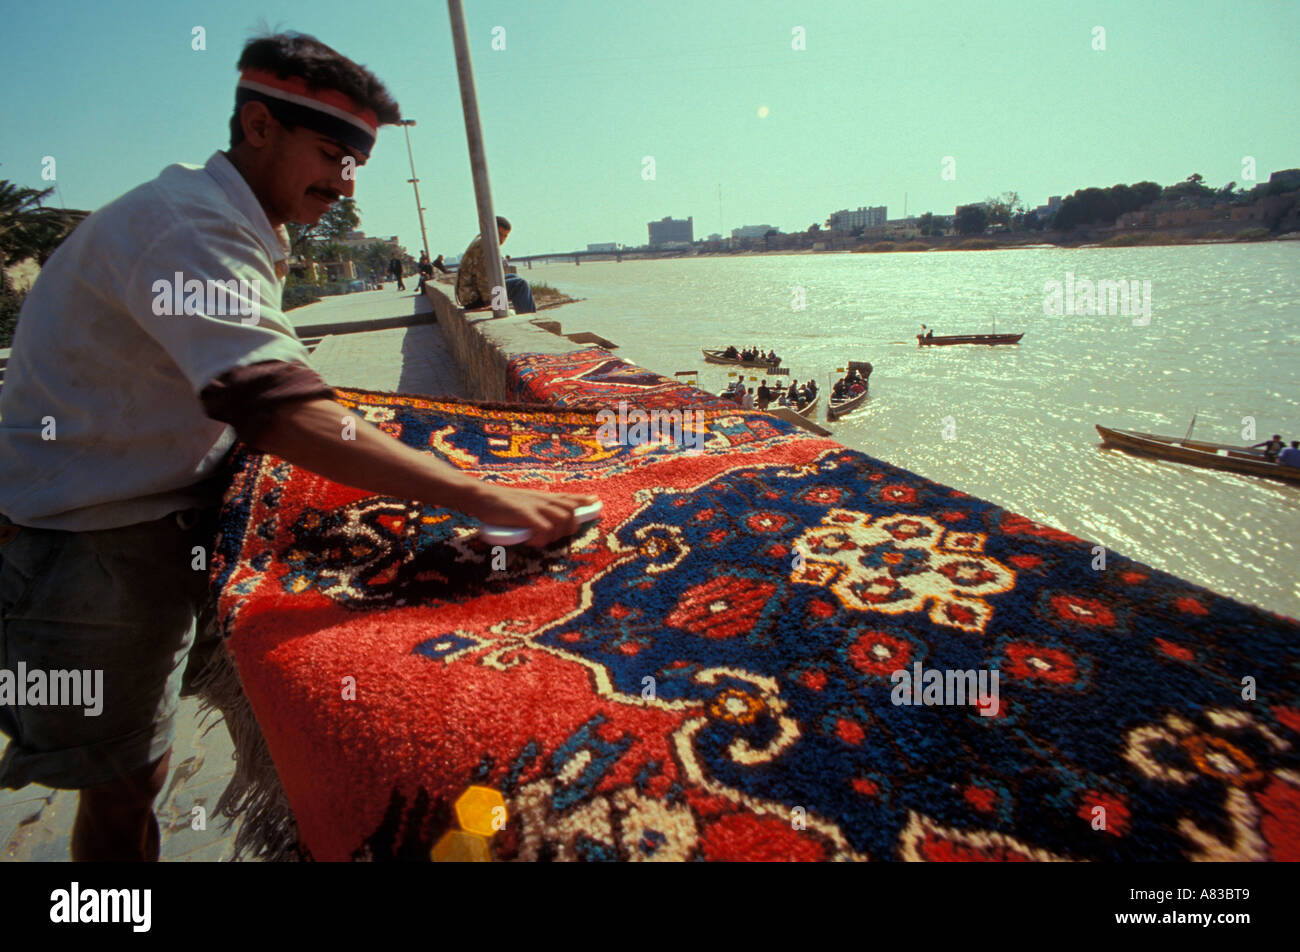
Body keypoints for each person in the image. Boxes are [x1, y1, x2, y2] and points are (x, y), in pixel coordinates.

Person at [0, 31, 595, 862]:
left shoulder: (225, 220)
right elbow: (279, 410)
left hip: (157, 506)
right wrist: (484, 496)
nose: (342, 181)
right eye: (328, 154)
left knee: (145, 767)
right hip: (93, 534)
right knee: (120, 785)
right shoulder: (189, 231)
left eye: (355, 164)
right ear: (256, 128)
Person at [455, 216, 536, 314]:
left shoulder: (482, 240)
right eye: (499, 234)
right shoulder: (485, 246)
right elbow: (483, 279)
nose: (501, 240)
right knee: (520, 285)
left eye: (505, 236)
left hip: (470, 294)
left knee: (513, 277)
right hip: (474, 299)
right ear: (490, 230)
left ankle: (524, 312)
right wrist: (490, 303)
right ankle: (529, 317)